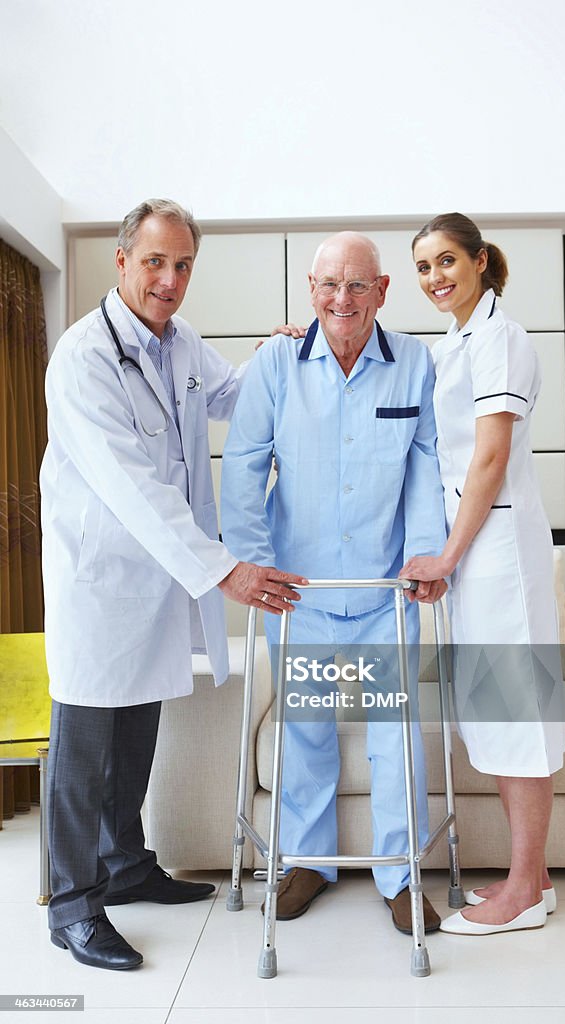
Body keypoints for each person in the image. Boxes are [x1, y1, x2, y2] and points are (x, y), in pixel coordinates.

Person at [40, 198, 306, 971]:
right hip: (103, 581)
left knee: (136, 735)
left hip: (156, 581)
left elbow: (230, 397)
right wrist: (222, 566)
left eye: (182, 264)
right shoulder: (84, 357)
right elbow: (129, 485)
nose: (169, 278)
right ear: (122, 260)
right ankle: (72, 907)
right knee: (84, 750)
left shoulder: (180, 342)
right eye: (154, 261)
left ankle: (126, 868)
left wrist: (278, 352)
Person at [221, 232, 447, 934]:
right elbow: (243, 465)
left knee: (394, 738)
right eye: (327, 285)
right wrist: (252, 563)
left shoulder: (414, 364)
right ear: (309, 290)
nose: (340, 300)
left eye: (357, 286)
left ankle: (402, 877)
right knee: (305, 734)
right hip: (302, 592)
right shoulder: (275, 366)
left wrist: (424, 554)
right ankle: (306, 864)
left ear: (382, 291)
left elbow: (426, 467)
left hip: (385, 595)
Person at [400, 212, 565, 935]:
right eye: (422, 267)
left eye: (445, 261)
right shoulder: (458, 339)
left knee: (515, 713)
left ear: (476, 260)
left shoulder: (498, 336)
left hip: (495, 548)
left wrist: (444, 555)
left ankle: (524, 890)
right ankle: (535, 877)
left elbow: (489, 459)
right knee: (496, 714)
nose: (434, 277)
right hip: (478, 551)